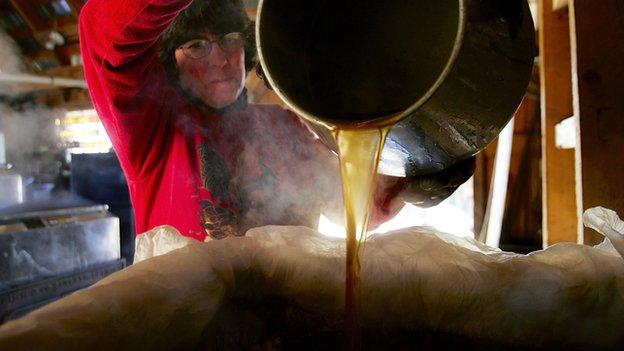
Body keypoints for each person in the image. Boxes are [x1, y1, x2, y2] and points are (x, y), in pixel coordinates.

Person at [79, 0, 473, 241]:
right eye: (196, 46)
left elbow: (353, 201)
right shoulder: (154, 129)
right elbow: (101, 34)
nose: (220, 58)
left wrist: (413, 174)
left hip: (288, 329)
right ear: (170, 60)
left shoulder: (282, 128)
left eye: (231, 38)